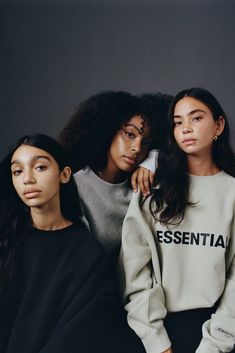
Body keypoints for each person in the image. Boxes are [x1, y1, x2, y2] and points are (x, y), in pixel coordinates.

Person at [0, 133, 146, 353]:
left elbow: (81, 333)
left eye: (40, 167)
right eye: (17, 171)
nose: (27, 179)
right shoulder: (6, 241)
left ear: (65, 174)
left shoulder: (86, 252)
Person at [119, 88, 235, 353]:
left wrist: (214, 344)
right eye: (178, 122)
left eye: (196, 118)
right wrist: (156, 342)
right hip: (152, 331)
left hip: (218, 332)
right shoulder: (152, 189)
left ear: (218, 125)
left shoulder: (232, 193)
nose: (186, 128)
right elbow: (134, 270)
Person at [59, 90, 173, 264]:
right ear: (108, 130)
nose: (136, 148)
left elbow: (191, 154)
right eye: (130, 134)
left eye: (147, 142)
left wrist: (155, 158)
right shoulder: (76, 184)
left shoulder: (144, 186)